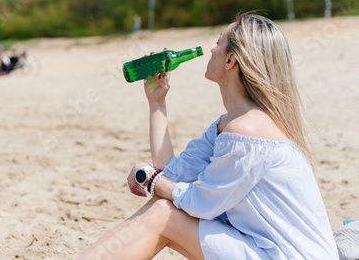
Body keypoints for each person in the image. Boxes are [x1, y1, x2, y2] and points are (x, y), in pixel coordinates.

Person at [74, 13, 338, 259]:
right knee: (164, 210)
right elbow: (174, 175)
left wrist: (149, 178)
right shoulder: (229, 124)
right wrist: (157, 103)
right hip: (265, 248)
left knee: (163, 215)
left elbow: (200, 203)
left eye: (218, 42)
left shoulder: (248, 130)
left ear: (230, 60)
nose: (211, 49)